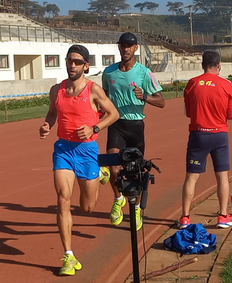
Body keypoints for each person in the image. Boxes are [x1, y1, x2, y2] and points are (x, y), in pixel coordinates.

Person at [39, 44, 119, 276]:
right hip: (63, 149)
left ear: (86, 65)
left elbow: (113, 114)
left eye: (76, 62)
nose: (71, 65)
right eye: (68, 61)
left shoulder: (94, 90)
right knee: (63, 199)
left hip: (87, 151)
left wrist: (94, 126)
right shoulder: (56, 90)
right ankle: (69, 256)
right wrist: (47, 125)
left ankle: (101, 172)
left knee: (88, 207)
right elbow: (52, 113)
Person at [102, 32, 165, 231]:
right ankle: (117, 198)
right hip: (116, 124)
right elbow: (103, 95)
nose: (126, 49)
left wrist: (144, 96)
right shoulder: (109, 72)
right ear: (119, 47)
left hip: (136, 126)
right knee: (113, 167)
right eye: (122, 45)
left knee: (136, 171)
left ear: (136, 48)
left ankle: (136, 208)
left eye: (129, 45)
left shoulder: (144, 73)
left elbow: (161, 102)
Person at [179, 50, 232, 230]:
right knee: (222, 176)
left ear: (202, 64)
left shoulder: (192, 84)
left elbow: (187, 112)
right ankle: (222, 215)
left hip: (198, 134)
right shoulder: (227, 85)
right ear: (219, 65)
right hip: (219, 135)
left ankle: (185, 218)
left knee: (191, 176)